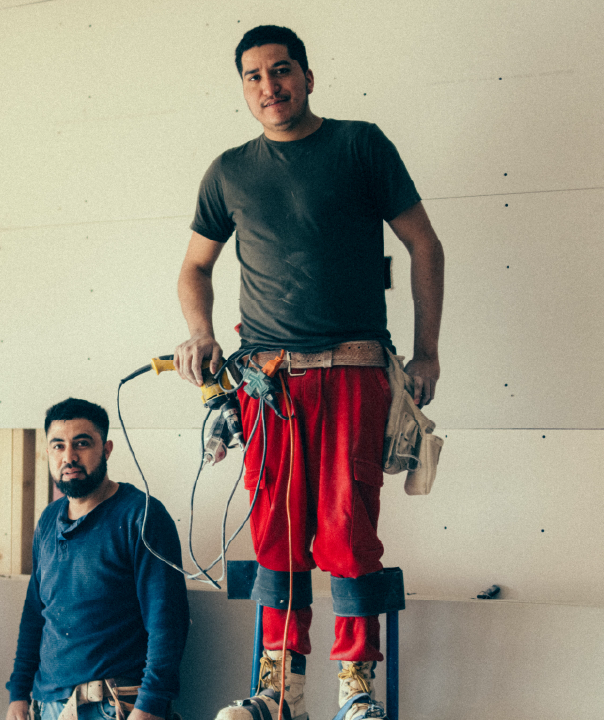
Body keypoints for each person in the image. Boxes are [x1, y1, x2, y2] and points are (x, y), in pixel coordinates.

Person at [173, 26, 445, 720]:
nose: (270, 87)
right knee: (276, 531)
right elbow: (195, 268)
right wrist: (200, 334)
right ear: (243, 88)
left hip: (355, 373)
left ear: (308, 76)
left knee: (349, 529)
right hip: (270, 382)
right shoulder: (230, 171)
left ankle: (357, 687)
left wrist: (428, 351)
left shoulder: (360, 146)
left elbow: (423, 243)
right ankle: (278, 688)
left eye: (282, 70)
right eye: (255, 76)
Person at [6, 398, 190, 720]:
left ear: (106, 449)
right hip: (45, 706)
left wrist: (151, 705)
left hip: (114, 705)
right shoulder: (48, 520)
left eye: (82, 444)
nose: (69, 457)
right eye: (58, 446)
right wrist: (19, 693)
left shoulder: (142, 516)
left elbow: (167, 622)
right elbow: (36, 615)